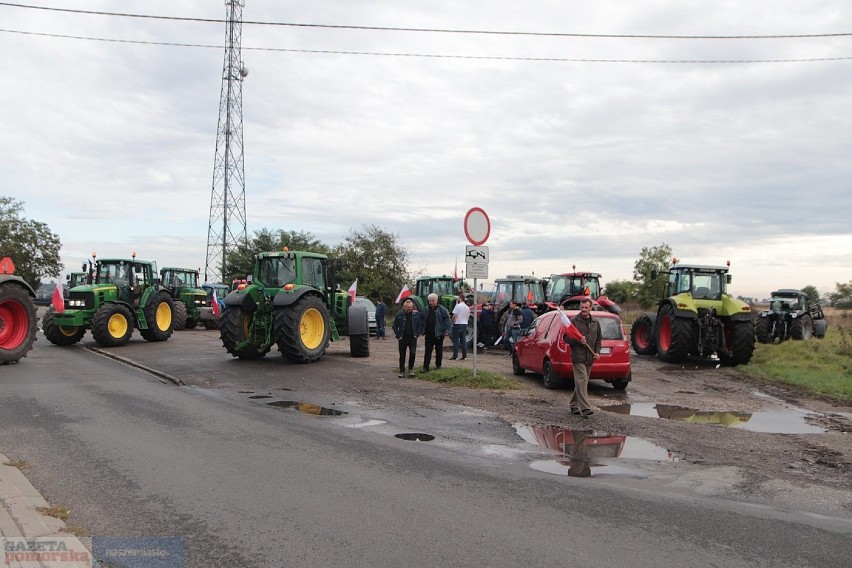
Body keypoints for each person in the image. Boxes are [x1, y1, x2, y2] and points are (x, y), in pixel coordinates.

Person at [563, 298, 601, 417]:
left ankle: (574, 405)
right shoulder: (574, 321)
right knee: (582, 380)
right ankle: (585, 408)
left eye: (586, 307)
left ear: (590, 308)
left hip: (590, 357)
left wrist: (597, 352)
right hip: (578, 357)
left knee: (582, 382)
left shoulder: (595, 322)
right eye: (582, 307)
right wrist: (578, 340)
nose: (584, 310)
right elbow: (566, 338)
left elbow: (598, 339)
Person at [420, 293, 452, 372]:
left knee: (439, 351)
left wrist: (447, 331)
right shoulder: (425, 309)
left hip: (439, 334)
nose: (431, 302)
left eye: (432, 301)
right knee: (428, 350)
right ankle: (425, 367)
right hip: (429, 333)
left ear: (437, 301)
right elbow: (420, 319)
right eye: (430, 301)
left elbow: (447, 320)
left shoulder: (442, 310)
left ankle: (438, 366)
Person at [392, 299, 421, 377]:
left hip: (412, 338)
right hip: (403, 338)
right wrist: (398, 335)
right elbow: (394, 326)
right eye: (408, 307)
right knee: (402, 355)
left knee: (412, 353)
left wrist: (417, 334)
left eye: (411, 307)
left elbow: (419, 325)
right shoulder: (399, 315)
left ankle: (411, 370)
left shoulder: (416, 315)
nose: (410, 309)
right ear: (404, 307)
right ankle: (402, 371)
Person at [450, 295, 471, 360]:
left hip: (458, 324)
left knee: (455, 341)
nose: (458, 299)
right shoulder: (467, 307)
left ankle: (455, 356)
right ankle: (464, 355)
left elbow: (454, 316)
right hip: (464, 324)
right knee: (463, 340)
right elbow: (468, 316)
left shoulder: (458, 306)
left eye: (458, 298)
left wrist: (452, 323)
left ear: (461, 298)